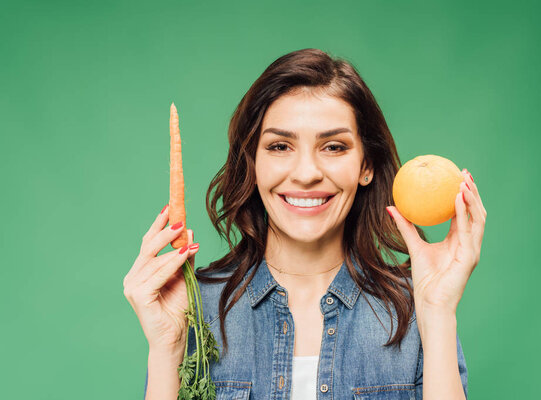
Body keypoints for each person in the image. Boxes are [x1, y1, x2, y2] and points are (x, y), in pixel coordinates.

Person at [124, 48, 486, 400]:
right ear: (253, 163)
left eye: (333, 147)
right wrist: (167, 347)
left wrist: (437, 313)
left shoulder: (415, 307)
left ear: (366, 166)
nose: (307, 174)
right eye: (280, 146)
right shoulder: (193, 307)